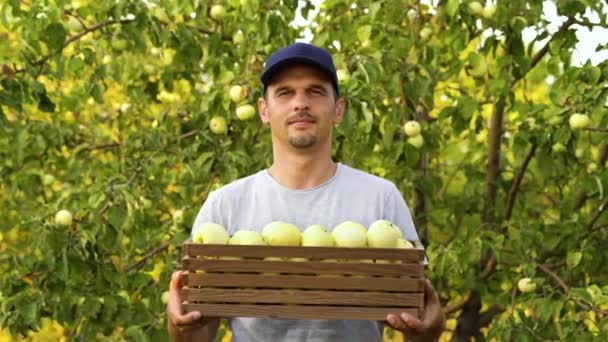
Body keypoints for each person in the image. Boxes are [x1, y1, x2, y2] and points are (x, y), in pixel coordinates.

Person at [167, 42, 445, 341]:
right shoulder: (225, 205)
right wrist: (180, 325)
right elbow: (195, 335)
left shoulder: (380, 197)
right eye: (285, 93)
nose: (300, 103)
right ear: (263, 110)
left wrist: (431, 327)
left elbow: (417, 318)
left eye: (315, 91)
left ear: (338, 109)